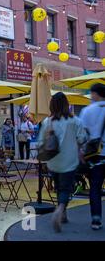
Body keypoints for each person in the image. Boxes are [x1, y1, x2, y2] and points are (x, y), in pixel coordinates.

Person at [39, 92, 87, 233]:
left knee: (59, 187)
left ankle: (63, 214)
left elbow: (41, 142)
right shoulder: (75, 121)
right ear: (67, 104)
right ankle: (60, 210)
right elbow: (81, 139)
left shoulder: (48, 122)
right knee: (66, 188)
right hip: (70, 161)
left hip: (53, 161)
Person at [80, 83, 105, 231]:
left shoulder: (87, 110)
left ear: (95, 94)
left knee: (95, 188)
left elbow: (82, 134)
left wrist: (81, 152)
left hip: (95, 156)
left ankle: (96, 219)